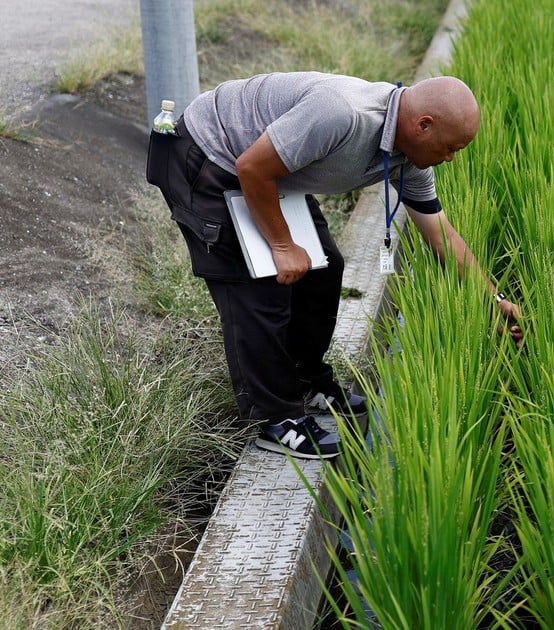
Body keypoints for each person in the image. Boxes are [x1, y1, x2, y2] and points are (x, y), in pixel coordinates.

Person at [149, 71, 523, 460]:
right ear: (423, 125)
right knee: (260, 287)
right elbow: (251, 168)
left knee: (323, 270)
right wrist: (281, 244)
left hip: (269, 171)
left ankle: (305, 379)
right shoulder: (343, 113)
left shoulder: (409, 160)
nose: (449, 159)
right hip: (212, 156)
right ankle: (276, 420)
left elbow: (441, 234)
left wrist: (492, 299)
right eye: (450, 148)